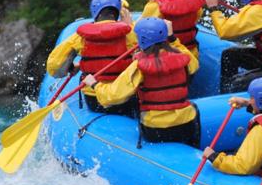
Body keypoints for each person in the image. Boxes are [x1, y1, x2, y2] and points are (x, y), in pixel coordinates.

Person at [84, 17, 201, 147]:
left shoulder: (139, 66)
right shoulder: (183, 56)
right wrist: (173, 38)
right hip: (186, 125)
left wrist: (95, 84)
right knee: (193, 108)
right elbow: (194, 65)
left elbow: (113, 96)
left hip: (156, 129)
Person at [46, 0, 137, 115]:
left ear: (95, 12)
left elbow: (54, 67)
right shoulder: (131, 33)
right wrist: (130, 25)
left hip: (95, 101)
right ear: (117, 13)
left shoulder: (80, 37)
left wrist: (70, 66)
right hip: (125, 100)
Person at [202, 77, 262, 176]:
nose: (250, 100)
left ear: (261, 101)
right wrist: (247, 103)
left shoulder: (260, 130)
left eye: (252, 98)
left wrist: (214, 157)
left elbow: (243, 166)